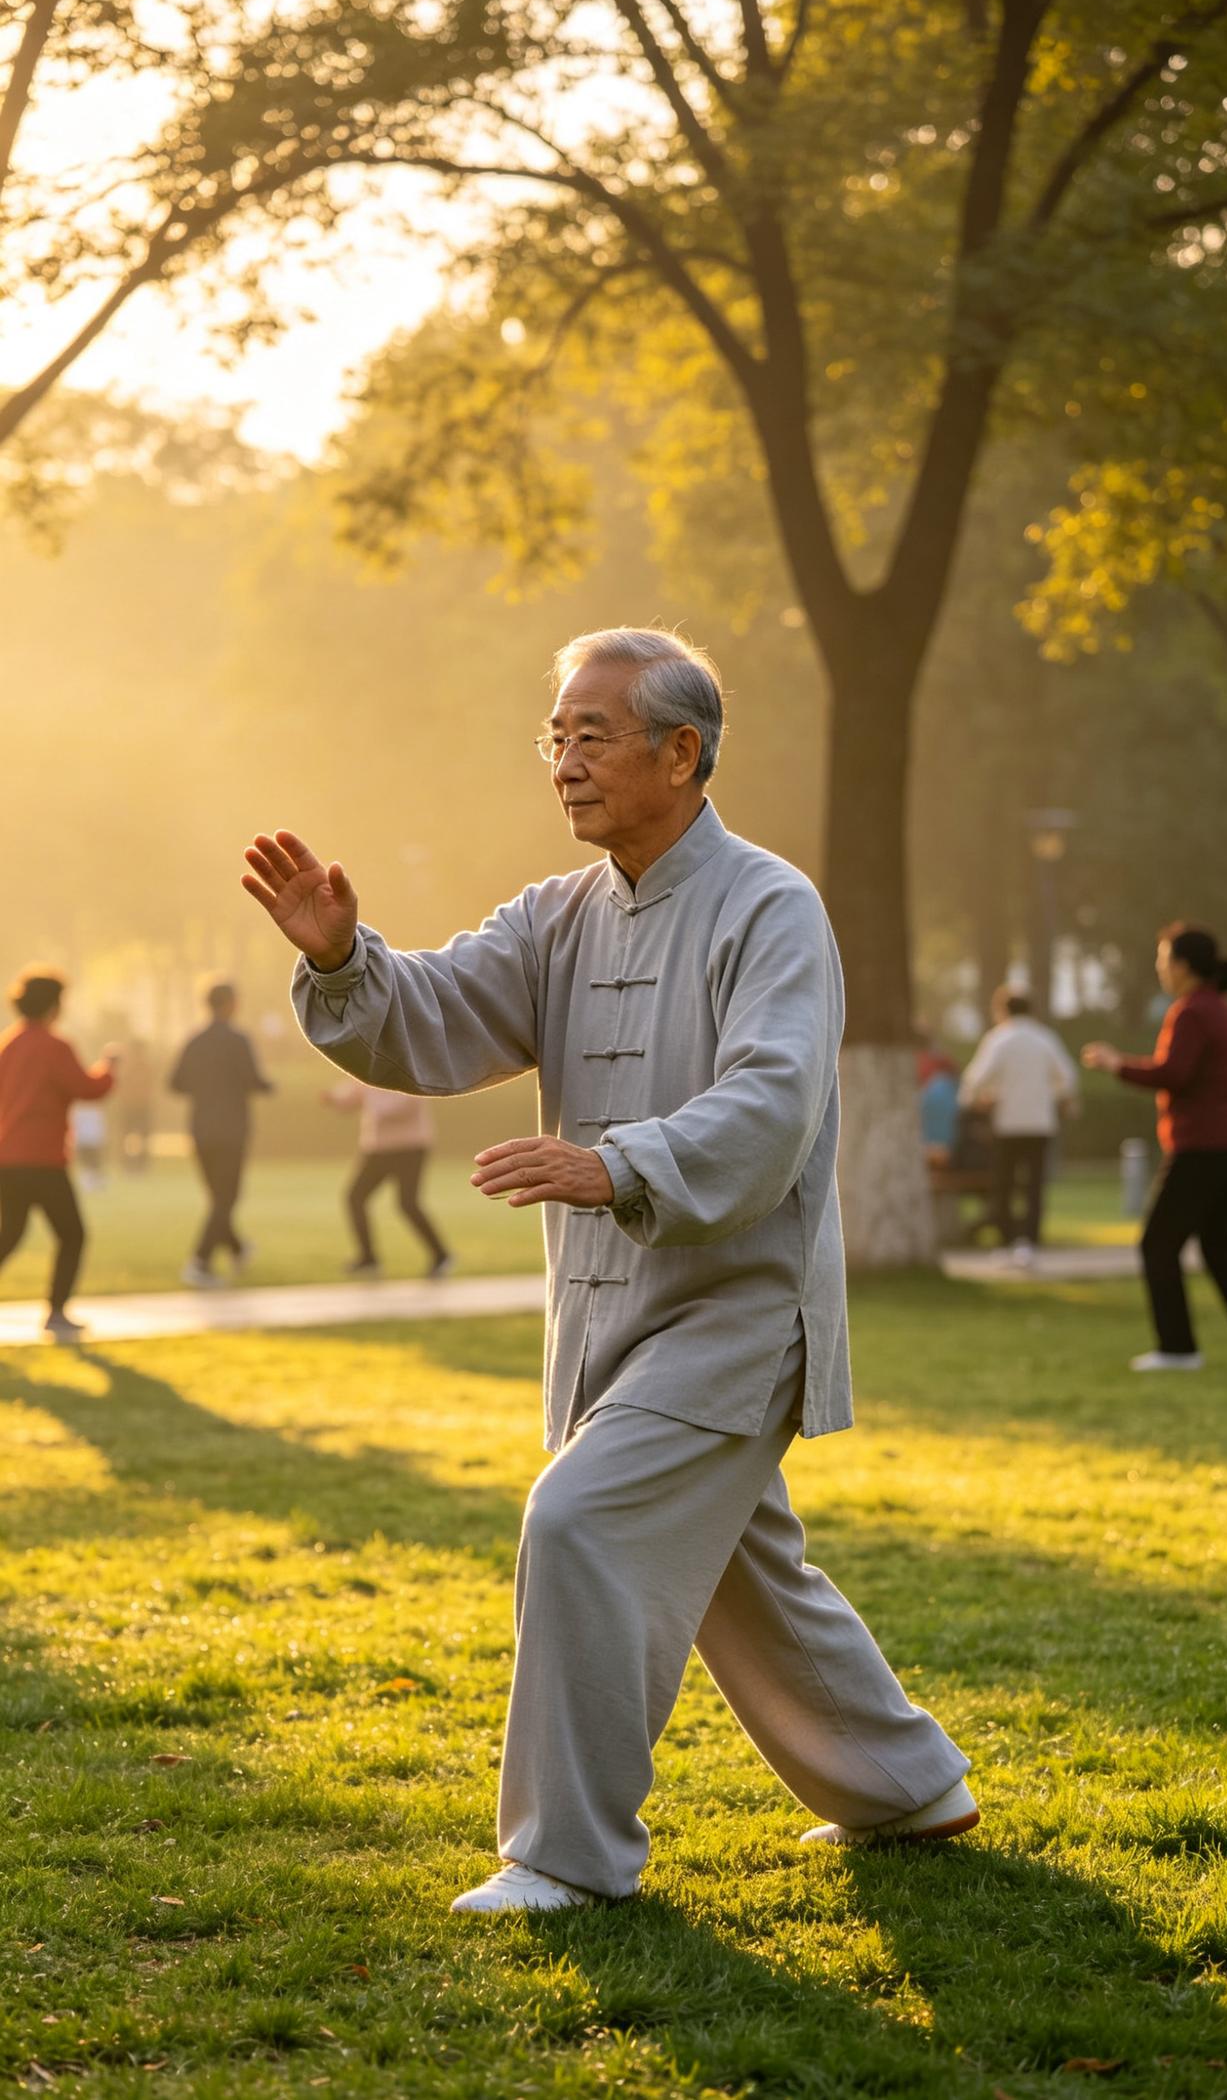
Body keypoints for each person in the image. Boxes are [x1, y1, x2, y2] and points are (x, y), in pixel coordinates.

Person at [242, 625, 977, 1917]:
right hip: (609, 1315)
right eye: (556, 737)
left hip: (739, 1312)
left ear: (682, 752)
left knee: (582, 1521)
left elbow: (777, 1096)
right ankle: (907, 1785)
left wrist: (617, 1164)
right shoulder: (557, 914)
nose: (565, 764)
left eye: (593, 736)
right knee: (742, 1574)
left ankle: (565, 1856)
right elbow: (438, 1010)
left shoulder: (771, 905)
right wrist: (342, 960)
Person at [1083, 924, 1227, 1373]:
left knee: (1158, 1243)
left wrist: (1118, 1065)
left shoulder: (1191, 1012)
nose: (1159, 968)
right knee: (1217, 1243)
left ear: (1184, 966)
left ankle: (1177, 1349)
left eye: (1163, 959)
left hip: (1203, 1145)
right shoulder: (1221, 1011)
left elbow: (1174, 1073)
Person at [0, 965, 115, 1339]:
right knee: (72, 1234)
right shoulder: (54, 1046)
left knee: (10, 1234)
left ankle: (57, 1312)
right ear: (54, 1005)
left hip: (8, 1159)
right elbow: (87, 1088)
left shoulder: (8, 1044)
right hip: (43, 1161)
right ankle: (57, 1312)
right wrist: (109, 1068)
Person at [959, 986, 1078, 1267]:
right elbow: (1068, 1077)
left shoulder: (999, 1039)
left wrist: (977, 1101)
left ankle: (1005, 1242)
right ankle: (1030, 1243)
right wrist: (1057, 1097)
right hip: (1040, 1123)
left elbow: (974, 1081)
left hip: (1007, 1124)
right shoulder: (1044, 1038)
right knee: (1034, 1185)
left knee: (1005, 1183)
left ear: (1002, 1011)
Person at [169, 979, 274, 1287]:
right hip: (231, 1129)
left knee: (219, 1197)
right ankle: (200, 1262)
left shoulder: (195, 1040)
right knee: (226, 1198)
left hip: (201, 1128)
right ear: (231, 1004)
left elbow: (175, 1083)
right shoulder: (238, 1040)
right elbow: (254, 1080)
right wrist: (270, 1086)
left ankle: (238, 1249)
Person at [321, 1079, 453, 1277]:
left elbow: (397, 1109)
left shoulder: (408, 1073)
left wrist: (368, 1097)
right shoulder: (370, 1073)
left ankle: (441, 1255)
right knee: (355, 1198)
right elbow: (349, 1100)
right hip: (377, 1148)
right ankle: (368, 1258)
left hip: (410, 1146)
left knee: (407, 1203)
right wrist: (334, 1099)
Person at [114, 1035, 156, 1170]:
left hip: (142, 1106)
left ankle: (142, 1164)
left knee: (143, 1137)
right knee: (125, 1136)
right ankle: (126, 1164)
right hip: (129, 1106)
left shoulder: (146, 1067)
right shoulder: (126, 1067)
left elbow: (149, 1087)